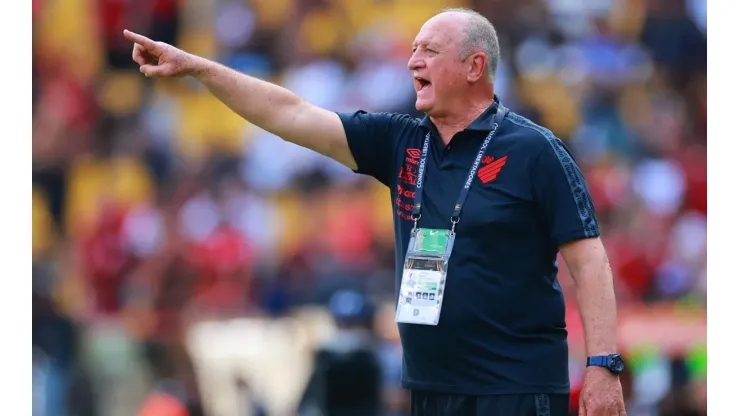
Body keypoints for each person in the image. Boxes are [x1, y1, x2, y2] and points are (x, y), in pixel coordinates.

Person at [124, 7, 627, 416]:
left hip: (515, 388)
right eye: (413, 50)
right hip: (431, 388)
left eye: (429, 51)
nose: (413, 63)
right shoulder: (401, 141)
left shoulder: (535, 150)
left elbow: (589, 262)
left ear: (475, 67)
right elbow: (290, 113)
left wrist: (603, 366)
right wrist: (198, 67)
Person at [297, 289, 383, 416]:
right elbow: (308, 400)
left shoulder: (370, 355)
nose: (348, 332)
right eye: (344, 324)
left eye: (352, 324)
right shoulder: (324, 355)